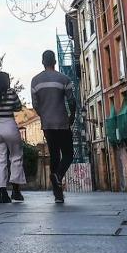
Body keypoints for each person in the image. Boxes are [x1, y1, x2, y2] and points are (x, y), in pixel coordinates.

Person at [31, 50, 76, 203]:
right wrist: (72, 116)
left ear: (43, 62)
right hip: (62, 122)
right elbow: (71, 100)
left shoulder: (35, 81)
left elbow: (35, 104)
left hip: (47, 124)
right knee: (68, 154)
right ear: (55, 61)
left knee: (54, 156)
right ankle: (58, 176)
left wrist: (43, 115)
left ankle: (58, 195)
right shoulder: (64, 78)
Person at [0, 70, 26, 203]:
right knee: (16, 157)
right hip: (9, 124)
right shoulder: (11, 93)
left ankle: (2, 193)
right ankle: (16, 190)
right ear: (6, 81)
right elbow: (19, 107)